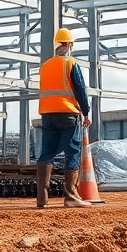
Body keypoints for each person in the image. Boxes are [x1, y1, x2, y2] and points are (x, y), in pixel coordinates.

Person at [35, 28, 92, 208]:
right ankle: (70, 197)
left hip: (47, 115)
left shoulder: (45, 66)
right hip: (67, 113)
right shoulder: (70, 63)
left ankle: (42, 199)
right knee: (72, 151)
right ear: (69, 45)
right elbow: (80, 89)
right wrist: (86, 112)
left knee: (47, 152)